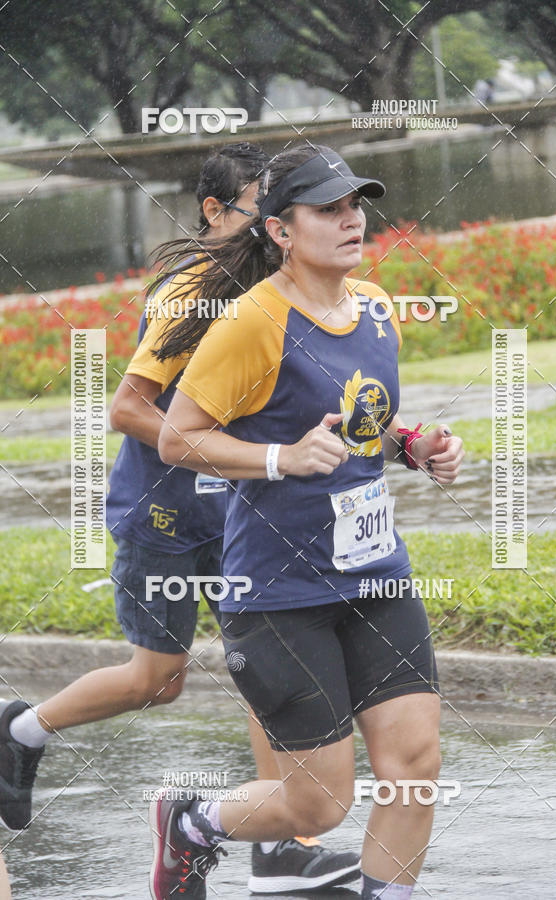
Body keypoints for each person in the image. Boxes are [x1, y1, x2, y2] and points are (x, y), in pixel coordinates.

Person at [0, 142, 357, 893]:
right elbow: (128, 409)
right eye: (259, 208)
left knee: (267, 670)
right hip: (162, 513)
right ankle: (20, 730)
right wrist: (220, 449)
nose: (272, 221)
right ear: (214, 211)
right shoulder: (191, 290)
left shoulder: (275, 286)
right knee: (157, 681)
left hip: (239, 516)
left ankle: (280, 846)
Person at [150, 144, 465, 899]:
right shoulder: (252, 322)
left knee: (415, 767)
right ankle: (190, 821)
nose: (352, 220)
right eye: (328, 209)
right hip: (280, 593)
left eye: (355, 205)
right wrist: (279, 458)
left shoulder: (377, 309)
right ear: (281, 231)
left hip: (376, 575)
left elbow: (361, 424)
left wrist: (412, 446)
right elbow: (175, 438)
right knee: (319, 803)